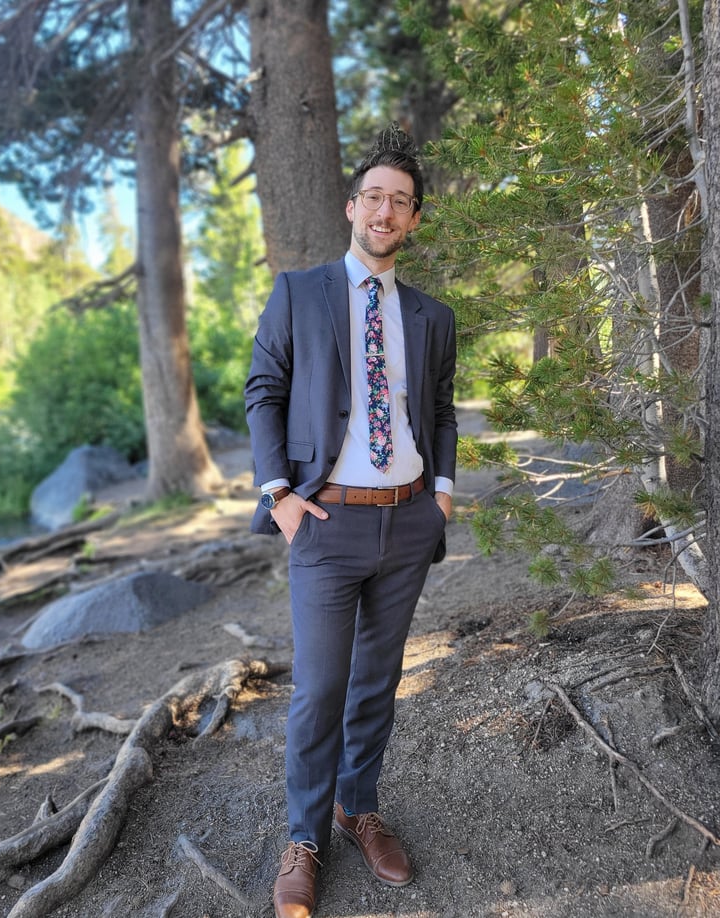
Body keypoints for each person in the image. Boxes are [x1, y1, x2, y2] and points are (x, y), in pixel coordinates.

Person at [244, 123, 458, 918]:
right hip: (324, 525)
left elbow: (438, 412)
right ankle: (304, 836)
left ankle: (356, 806)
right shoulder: (299, 292)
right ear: (351, 206)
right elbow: (263, 389)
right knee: (320, 687)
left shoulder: (433, 316)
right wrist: (281, 498)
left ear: (413, 221)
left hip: (407, 523)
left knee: (377, 681)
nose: (386, 210)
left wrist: (441, 496)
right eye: (375, 195)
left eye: (402, 202)